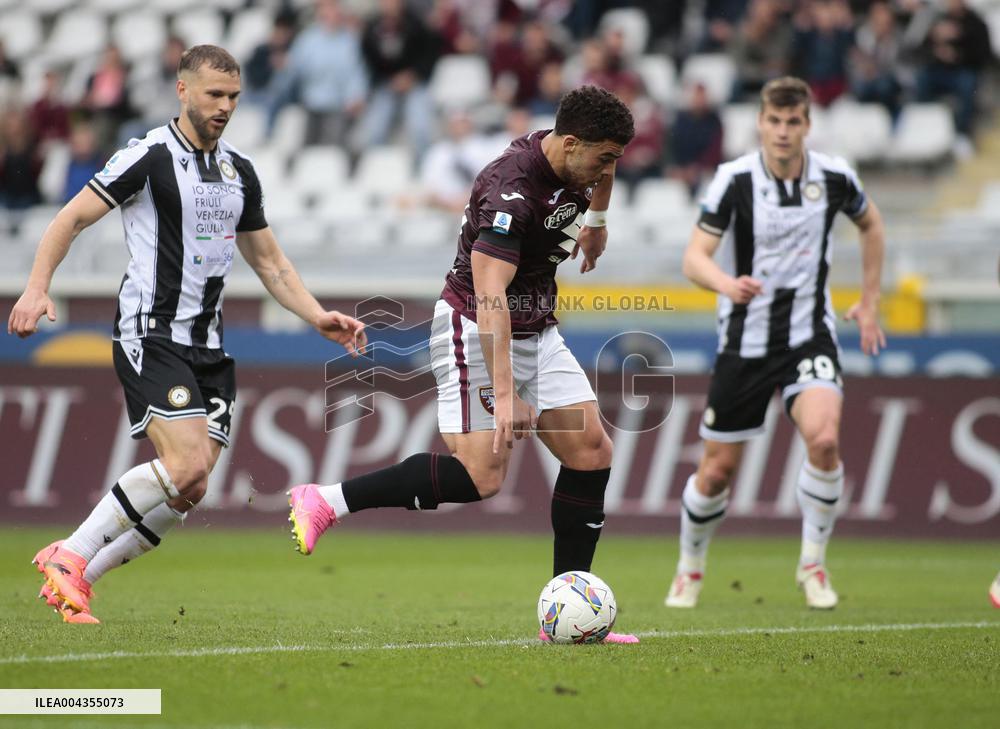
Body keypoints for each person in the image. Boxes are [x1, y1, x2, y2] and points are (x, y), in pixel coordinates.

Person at [7, 45, 367, 624]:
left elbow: (270, 262)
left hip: (209, 345)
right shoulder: (148, 156)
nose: (225, 107)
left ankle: (79, 580)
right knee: (184, 466)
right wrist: (35, 287)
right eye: (213, 95)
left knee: (191, 488)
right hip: (150, 333)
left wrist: (315, 314)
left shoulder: (239, 171)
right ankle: (69, 553)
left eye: (233, 97)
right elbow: (69, 218)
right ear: (182, 90)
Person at [287, 85, 640, 644]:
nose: (608, 168)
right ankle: (325, 501)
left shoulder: (583, 163)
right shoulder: (511, 191)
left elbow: (602, 177)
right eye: (603, 157)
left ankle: (569, 617)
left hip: (536, 327)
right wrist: (505, 394)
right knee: (482, 476)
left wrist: (597, 222)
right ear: (570, 143)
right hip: (475, 329)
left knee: (592, 450)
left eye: (615, 157)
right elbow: (490, 297)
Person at [664, 76, 886, 610]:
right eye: (774, 121)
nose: (783, 131)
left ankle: (813, 563)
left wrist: (871, 299)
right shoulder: (732, 180)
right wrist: (725, 284)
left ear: (807, 125)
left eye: (793, 122)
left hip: (810, 333)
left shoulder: (834, 176)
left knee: (825, 440)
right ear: (760, 123)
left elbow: (871, 225)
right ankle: (689, 567)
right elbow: (695, 257)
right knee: (716, 473)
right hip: (745, 339)